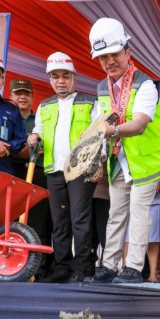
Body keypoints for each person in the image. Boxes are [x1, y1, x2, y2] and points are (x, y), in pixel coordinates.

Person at [85, 18, 160, 284]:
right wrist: (93, 145)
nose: (109, 61)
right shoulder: (102, 87)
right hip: (118, 159)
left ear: (128, 52)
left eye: (114, 54)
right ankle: (108, 266)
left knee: (139, 211)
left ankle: (133, 268)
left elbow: (140, 124)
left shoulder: (146, 84)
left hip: (145, 160)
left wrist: (107, 132)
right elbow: (98, 122)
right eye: (103, 57)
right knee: (115, 213)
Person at [29, 52, 100, 283]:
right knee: (59, 220)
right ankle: (61, 266)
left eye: (65, 76)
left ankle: (81, 267)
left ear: (74, 77)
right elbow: (38, 130)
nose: (60, 80)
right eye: (55, 76)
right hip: (53, 169)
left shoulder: (90, 102)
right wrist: (34, 137)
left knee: (80, 218)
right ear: (50, 79)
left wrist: (98, 165)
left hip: (81, 170)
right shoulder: (45, 105)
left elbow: (101, 136)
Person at [9, 78, 51, 278]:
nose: (22, 97)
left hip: (38, 174)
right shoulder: (7, 118)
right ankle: (10, 265)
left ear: (33, 97)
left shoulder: (40, 120)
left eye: (26, 93)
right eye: (18, 93)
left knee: (38, 221)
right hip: (13, 173)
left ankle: (39, 269)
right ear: (11, 95)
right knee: (11, 220)